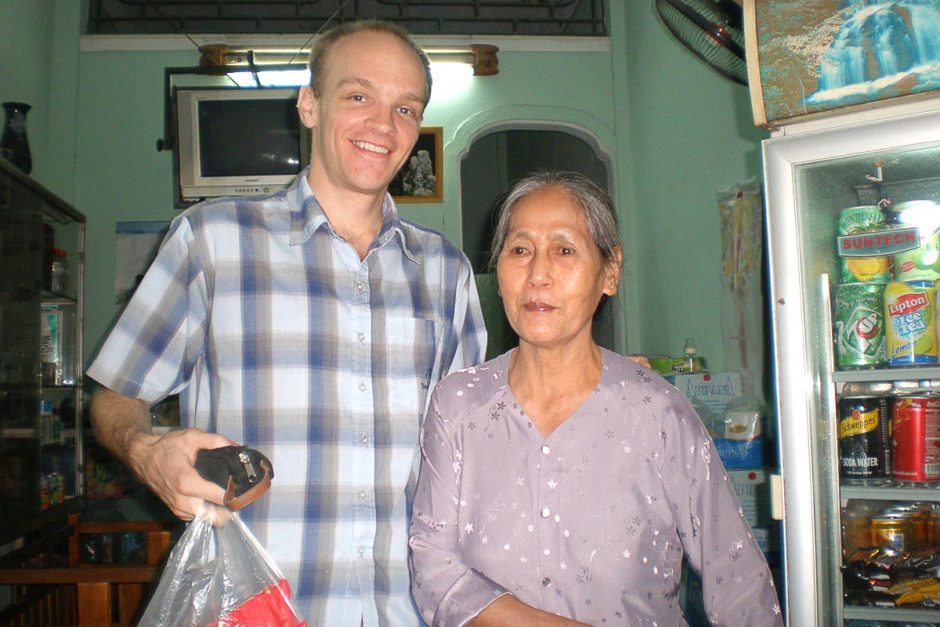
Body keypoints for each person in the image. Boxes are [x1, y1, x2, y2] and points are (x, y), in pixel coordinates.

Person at [87, 19, 486, 626]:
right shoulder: (211, 242)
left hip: (411, 612)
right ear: (309, 103)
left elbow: (473, 457)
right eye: (358, 96)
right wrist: (146, 451)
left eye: (406, 108)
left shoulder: (445, 272)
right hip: (254, 609)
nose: (383, 124)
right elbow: (116, 397)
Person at [408, 171, 782, 626]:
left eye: (564, 250)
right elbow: (434, 569)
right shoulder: (459, 407)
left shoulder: (658, 415)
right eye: (520, 250)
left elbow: (739, 581)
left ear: (610, 271)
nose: (538, 274)